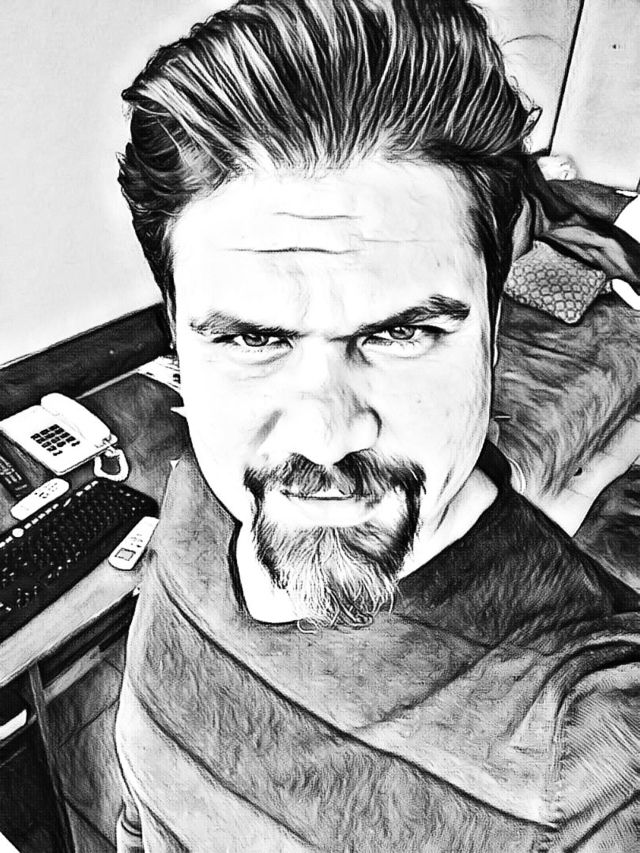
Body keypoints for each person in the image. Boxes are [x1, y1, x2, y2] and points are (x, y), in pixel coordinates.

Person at [115, 1, 640, 850]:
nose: (326, 437)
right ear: (178, 342)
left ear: (492, 334)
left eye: (402, 333)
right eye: (252, 339)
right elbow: (144, 801)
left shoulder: (595, 751)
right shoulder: (194, 500)